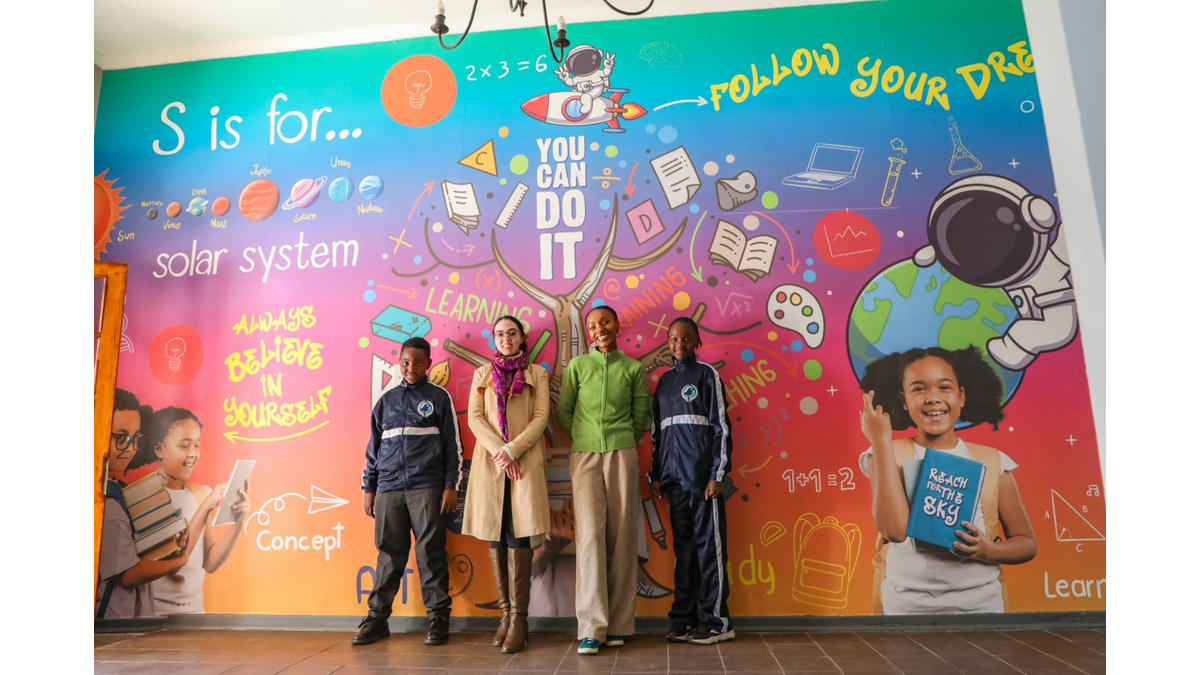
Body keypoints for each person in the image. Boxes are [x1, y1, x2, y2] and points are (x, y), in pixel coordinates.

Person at [858, 346, 1037, 614]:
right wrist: (880, 441)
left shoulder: (992, 461)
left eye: (944, 387)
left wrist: (987, 550)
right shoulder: (885, 454)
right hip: (906, 608)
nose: (933, 398)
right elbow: (894, 531)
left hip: (980, 607)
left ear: (961, 395)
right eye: (919, 389)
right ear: (904, 400)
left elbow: (1026, 543)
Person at [356, 336, 464, 646]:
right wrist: (369, 488)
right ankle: (377, 619)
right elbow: (373, 450)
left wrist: (451, 486)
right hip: (388, 489)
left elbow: (453, 446)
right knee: (388, 554)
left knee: (430, 553)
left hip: (427, 487)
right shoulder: (386, 401)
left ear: (428, 364)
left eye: (418, 363)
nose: (411, 368)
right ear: (399, 362)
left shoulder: (439, 397)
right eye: (405, 362)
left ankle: (439, 619)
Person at [557, 305, 651, 655]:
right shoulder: (578, 366)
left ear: (617, 326)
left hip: (622, 453)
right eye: (593, 325)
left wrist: (624, 438)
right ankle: (592, 627)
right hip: (584, 456)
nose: (599, 329)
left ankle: (620, 625)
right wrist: (584, 437)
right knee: (589, 537)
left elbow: (640, 414)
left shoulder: (633, 369)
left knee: (622, 535)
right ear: (589, 333)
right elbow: (565, 411)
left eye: (605, 322)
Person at [462, 315, 551, 654]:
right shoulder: (482, 374)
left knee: (519, 535)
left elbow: (540, 417)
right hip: (491, 464)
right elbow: (475, 418)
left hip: (524, 462)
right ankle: (504, 616)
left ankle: (520, 620)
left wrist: (514, 450)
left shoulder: (537, 374)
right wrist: (501, 452)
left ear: (522, 337)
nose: (506, 339)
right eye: (499, 334)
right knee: (496, 535)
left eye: (512, 333)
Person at [647, 318, 735, 644]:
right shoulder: (664, 382)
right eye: (673, 339)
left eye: (686, 338)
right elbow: (658, 435)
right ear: (667, 343)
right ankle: (684, 618)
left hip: (702, 481)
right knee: (684, 550)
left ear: (697, 342)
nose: (679, 344)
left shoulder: (707, 375)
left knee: (709, 548)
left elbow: (721, 428)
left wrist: (717, 474)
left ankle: (717, 622)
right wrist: (657, 475)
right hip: (673, 481)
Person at [96, 390, 210, 618]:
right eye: (121, 438)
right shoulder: (107, 501)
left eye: (135, 439)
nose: (130, 448)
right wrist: (180, 560)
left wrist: (170, 550)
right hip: (116, 620)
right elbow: (128, 576)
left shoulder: (121, 490)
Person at [133, 406, 252, 615]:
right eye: (184, 445)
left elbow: (211, 562)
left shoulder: (200, 494)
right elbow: (175, 562)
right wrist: (205, 507)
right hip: (154, 616)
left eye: (197, 445)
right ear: (159, 449)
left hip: (195, 614)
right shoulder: (144, 498)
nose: (193, 454)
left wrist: (239, 522)